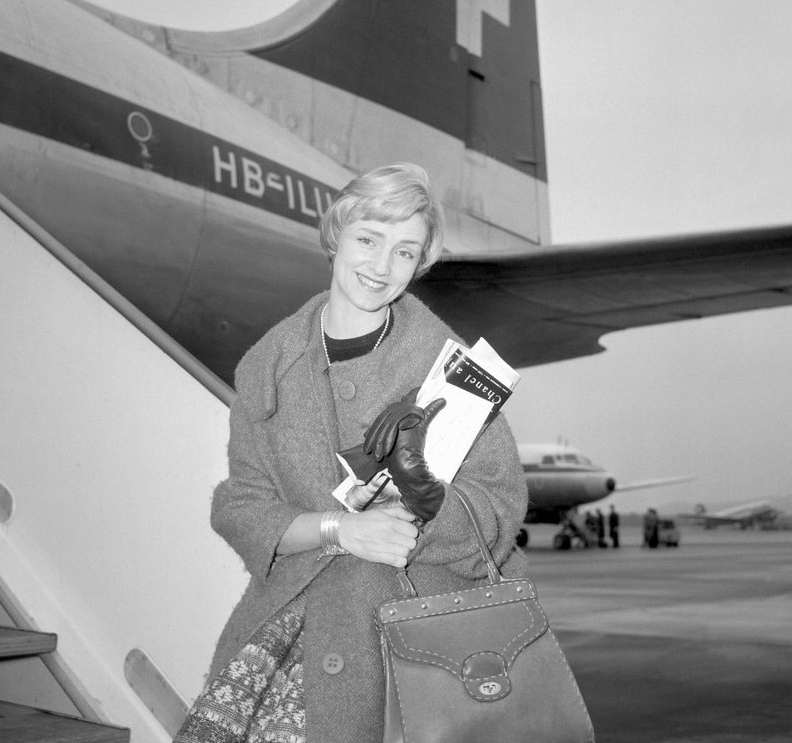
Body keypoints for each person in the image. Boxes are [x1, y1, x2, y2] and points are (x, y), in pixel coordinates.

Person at [174, 164, 528, 743]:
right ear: (337, 233)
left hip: (420, 651)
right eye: (369, 240)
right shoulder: (268, 364)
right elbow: (240, 505)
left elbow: (500, 505)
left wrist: (425, 502)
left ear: (421, 265)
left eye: (406, 253)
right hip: (295, 638)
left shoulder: (454, 369)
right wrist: (341, 528)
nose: (382, 267)